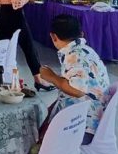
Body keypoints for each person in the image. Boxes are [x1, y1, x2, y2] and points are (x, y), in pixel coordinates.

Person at [38, 14, 111, 144]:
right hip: (93, 117)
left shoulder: (74, 56)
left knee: (35, 138)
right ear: (81, 34)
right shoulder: (85, 50)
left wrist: (51, 77)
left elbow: (77, 90)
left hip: (83, 125)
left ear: (53, 37)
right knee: (43, 123)